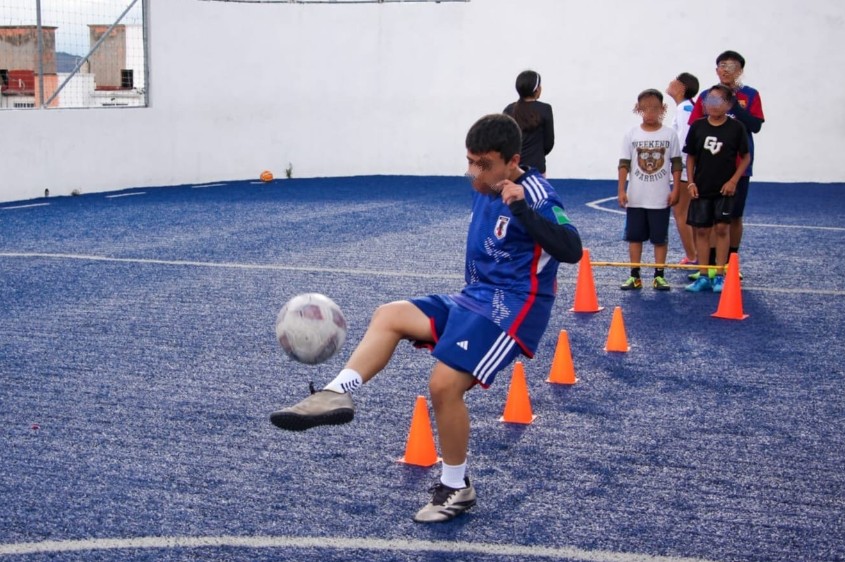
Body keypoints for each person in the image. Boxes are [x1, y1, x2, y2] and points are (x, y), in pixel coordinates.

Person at [269, 114, 582, 523]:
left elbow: (571, 248)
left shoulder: (538, 194)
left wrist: (522, 210)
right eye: (470, 161)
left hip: (513, 309)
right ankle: (335, 392)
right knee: (390, 315)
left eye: (484, 164)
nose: (474, 172)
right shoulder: (485, 184)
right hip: (473, 297)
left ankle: (456, 488)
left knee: (443, 385)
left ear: (512, 160)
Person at [688, 50, 765, 280]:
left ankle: (731, 262)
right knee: (707, 218)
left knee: (733, 216)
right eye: (721, 65)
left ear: (740, 71)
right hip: (707, 167)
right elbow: (696, 125)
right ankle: (709, 265)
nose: (725, 70)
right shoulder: (707, 96)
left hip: (737, 166)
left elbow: (756, 126)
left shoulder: (750, 95)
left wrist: (733, 105)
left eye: (730, 66)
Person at [684, 84, 751, 293]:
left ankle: (720, 275)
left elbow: (746, 156)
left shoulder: (736, 127)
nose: (711, 105)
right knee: (702, 230)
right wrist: (691, 182)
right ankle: (703, 275)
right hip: (702, 186)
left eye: (717, 101)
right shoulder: (698, 126)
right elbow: (691, 156)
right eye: (708, 101)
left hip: (725, 188)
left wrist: (733, 181)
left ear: (728, 104)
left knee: (722, 228)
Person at [617, 89, 682, 291]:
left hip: (660, 197)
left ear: (663, 109)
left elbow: (676, 164)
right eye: (646, 109)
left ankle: (659, 275)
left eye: (655, 109)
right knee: (635, 237)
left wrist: (676, 188)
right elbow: (624, 164)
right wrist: (621, 189)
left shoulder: (670, 135)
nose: (651, 113)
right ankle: (635, 275)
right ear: (639, 109)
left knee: (659, 238)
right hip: (637, 197)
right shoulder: (631, 135)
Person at [666, 72, 699, 265]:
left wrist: (678, 168)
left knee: (681, 213)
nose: (671, 82)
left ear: (682, 87)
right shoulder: (686, 108)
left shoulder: (685, 108)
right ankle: (695, 255)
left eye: (675, 81)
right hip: (686, 167)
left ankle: (693, 256)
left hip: (685, 169)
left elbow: (685, 142)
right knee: (686, 213)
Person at [503, 70, 555, 175]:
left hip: (513, 168)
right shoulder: (545, 109)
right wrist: (538, 154)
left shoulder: (509, 109)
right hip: (536, 167)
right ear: (537, 90)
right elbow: (549, 143)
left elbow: (504, 141)